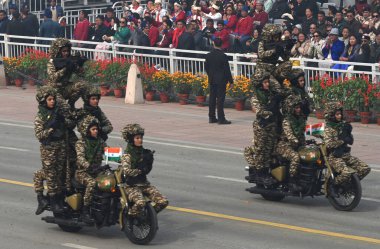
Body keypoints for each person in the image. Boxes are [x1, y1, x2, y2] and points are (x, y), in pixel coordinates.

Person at [120, 124, 168, 217]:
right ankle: (130, 217)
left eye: (141, 138)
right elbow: (126, 171)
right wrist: (139, 170)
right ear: (131, 140)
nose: (140, 140)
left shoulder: (145, 153)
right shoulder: (127, 155)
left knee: (163, 202)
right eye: (137, 138)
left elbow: (147, 171)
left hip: (144, 184)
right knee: (140, 203)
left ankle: (148, 217)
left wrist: (149, 162)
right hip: (131, 186)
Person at [33, 86, 67, 215]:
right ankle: (51, 201)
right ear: (44, 101)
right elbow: (39, 134)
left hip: (60, 146)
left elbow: (67, 125)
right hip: (49, 148)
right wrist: (50, 129)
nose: (52, 101)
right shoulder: (40, 116)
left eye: (53, 99)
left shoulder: (57, 113)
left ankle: (54, 199)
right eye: (49, 99)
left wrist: (63, 121)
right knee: (51, 175)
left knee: (58, 174)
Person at [245, 69, 281, 184]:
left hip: (271, 125)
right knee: (260, 150)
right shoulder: (256, 97)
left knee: (269, 150)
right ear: (259, 83)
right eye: (265, 82)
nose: (267, 84)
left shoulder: (269, 93)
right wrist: (271, 110)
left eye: (267, 82)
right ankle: (259, 173)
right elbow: (259, 111)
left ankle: (266, 172)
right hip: (262, 126)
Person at [323, 102, 371, 186]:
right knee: (346, 173)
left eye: (340, 114)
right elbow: (329, 144)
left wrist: (348, 133)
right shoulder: (328, 128)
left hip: (345, 154)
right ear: (331, 115)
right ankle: (332, 185)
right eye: (337, 114)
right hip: (334, 157)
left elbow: (350, 141)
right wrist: (342, 141)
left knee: (365, 168)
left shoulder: (343, 126)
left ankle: (349, 185)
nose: (340, 116)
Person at [75, 116, 107, 223]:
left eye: (96, 129)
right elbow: (80, 159)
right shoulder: (81, 143)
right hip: (83, 172)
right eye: (93, 129)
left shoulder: (100, 142)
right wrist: (89, 166)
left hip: (97, 171)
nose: (96, 131)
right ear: (87, 130)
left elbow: (109, 152)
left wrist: (124, 159)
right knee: (92, 183)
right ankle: (85, 211)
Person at [275, 95, 306, 191]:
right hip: (284, 145)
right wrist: (295, 141)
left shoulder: (300, 119)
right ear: (291, 108)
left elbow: (303, 133)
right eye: (296, 108)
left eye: (299, 107)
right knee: (295, 157)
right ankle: (292, 182)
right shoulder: (286, 121)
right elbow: (290, 136)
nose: (299, 110)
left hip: (297, 145)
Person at [47, 38, 88, 110]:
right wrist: (65, 69)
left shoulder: (70, 61)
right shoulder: (52, 62)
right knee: (65, 109)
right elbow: (53, 78)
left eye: (67, 51)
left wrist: (79, 65)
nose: (66, 53)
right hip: (55, 90)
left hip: (66, 87)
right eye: (64, 51)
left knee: (82, 85)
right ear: (58, 52)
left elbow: (81, 74)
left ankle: (71, 104)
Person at [205, 38, 233, 125]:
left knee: (212, 98)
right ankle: (221, 118)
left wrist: (210, 75)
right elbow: (227, 69)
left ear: (213, 44)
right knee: (220, 99)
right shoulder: (223, 56)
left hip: (212, 79)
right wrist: (231, 81)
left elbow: (206, 67)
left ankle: (211, 117)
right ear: (221, 45)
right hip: (221, 80)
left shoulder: (208, 55)